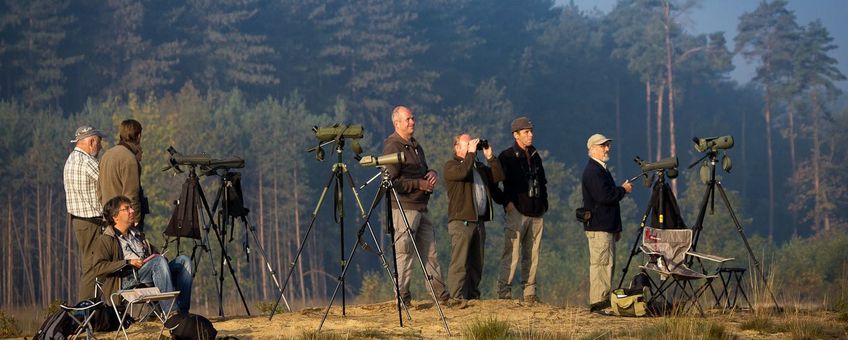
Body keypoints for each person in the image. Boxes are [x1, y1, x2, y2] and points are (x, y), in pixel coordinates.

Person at [382, 105, 450, 307]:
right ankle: (402, 299)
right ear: (397, 123)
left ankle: (441, 296)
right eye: (408, 119)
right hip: (404, 208)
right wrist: (418, 184)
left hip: (421, 207)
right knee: (405, 254)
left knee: (430, 253)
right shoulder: (392, 147)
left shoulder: (415, 145)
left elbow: (422, 169)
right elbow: (390, 182)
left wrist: (432, 173)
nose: (413, 122)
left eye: (413, 118)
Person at [91, 196, 193, 314]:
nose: (132, 211)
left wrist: (159, 257)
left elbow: (155, 256)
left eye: (131, 208)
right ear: (115, 217)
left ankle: (183, 311)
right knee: (158, 262)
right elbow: (98, 268)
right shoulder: (106, 239)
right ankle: (172, 312)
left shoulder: (137, 234)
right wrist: (128, 262)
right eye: (127, 209)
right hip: (125, 279)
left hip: (148, 272)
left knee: (184, 261)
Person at [443, 134, 504, 308]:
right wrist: (470, 154)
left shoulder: (478, 167)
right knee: (460, 261)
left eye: (472, 144)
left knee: (477, 262)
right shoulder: (451, 166)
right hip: (461, 221)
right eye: (467, 144)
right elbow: (463, 173)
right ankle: (456, 297)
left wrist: (490, 157)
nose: (471, 147)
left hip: (478, 221)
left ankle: (472, 295)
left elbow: (498, 178)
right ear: (457, 147)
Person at [496, 116, 547, 305]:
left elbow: (542, 182)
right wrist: (505, 201)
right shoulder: (506, 156)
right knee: (512, 252)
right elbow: (495, 182)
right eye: (526, 132)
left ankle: (530, 292)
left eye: (531, 131)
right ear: (516, 135)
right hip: (517, 211)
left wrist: (544, 204)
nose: (531, 135)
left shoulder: (535, 155)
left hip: (536, 211)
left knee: (533, 254)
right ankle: (504, 291)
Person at [581, 133, 632, 313]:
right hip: (599, 228)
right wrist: (623, 190)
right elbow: (605, 197)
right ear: (592, 149)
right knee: (600, 266)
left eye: (607, 145)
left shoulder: (601, 169)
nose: (607, 149)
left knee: (607, 265)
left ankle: (602, 302)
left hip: (606, 227)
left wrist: (616, 228)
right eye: (603, 146)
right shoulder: (593, 171)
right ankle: (598, 304)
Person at [63, 125, 107, 300]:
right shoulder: (88, 162)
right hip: (91, 221)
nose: (101, 146)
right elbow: (106, 182)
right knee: (93, 267)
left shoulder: (70, 160)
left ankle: (88, 308)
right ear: (91, 141)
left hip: (79, 221)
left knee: (89, 265)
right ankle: (85, 310)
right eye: (99, 142)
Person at [99, 119, 148, 231]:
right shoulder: (129, 158)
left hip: (109, 219)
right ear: (139, 136)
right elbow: (131, 194)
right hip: (124, 222)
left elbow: (99, 191)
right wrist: (136, 220)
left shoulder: (106, 155)